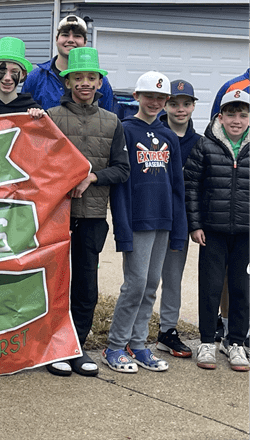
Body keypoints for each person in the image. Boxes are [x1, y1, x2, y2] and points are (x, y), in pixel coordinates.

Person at [44, 48, 129, 377]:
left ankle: (76, 347)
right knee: (55, 285)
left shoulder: (112, 122)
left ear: (99, 82)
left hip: (92, 217)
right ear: (67, 82)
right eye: (77, 77)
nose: (84, 83)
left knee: (85, 287)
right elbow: (39, 164)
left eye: (90, 78)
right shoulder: (50, 117)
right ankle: (54, 348)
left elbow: (122, 170)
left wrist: (92, 176)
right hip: (55, 215)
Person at [105, 71, 185, 374]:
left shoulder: (168, 136)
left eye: (161, 98)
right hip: (137, 220)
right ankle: (114, 345)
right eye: (149, 96)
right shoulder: (124, 129)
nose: (155, 102)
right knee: (135, 284)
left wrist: (179, 228)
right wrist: (122, 229)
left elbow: (177, 185)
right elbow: (121, 183)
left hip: (164, 220)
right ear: (137, 97)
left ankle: (137, 345)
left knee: (151, 284)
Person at [186, 86, 250, 371]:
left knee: (242, 288)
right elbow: (192, 186)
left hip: (248, 231)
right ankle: (207, 341)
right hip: (212, 229)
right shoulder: (206, 144)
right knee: (210, 287)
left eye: (242, 114)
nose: (236, 119)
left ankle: (236, 343)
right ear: (220, 116)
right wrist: (196, 224)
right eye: (231, 113)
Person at [154, 79, 201, 359]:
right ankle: (130, 332)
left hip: (179, 222)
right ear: (165, 105)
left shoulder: (200, 144)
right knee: (142, 280)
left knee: (172, 278)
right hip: (152, 217)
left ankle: (167, 331)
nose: (180, 109)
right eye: (174, 103)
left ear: (194, 106)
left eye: (186, 104)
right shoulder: (154, 134)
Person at [22, 15, 115, 112]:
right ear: (56, 39)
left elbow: (108, 120)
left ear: (85, 42)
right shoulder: (35, 78)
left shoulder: (99, 81)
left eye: (77, 36)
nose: (70, 40)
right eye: (65, 35)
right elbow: (23, 117)